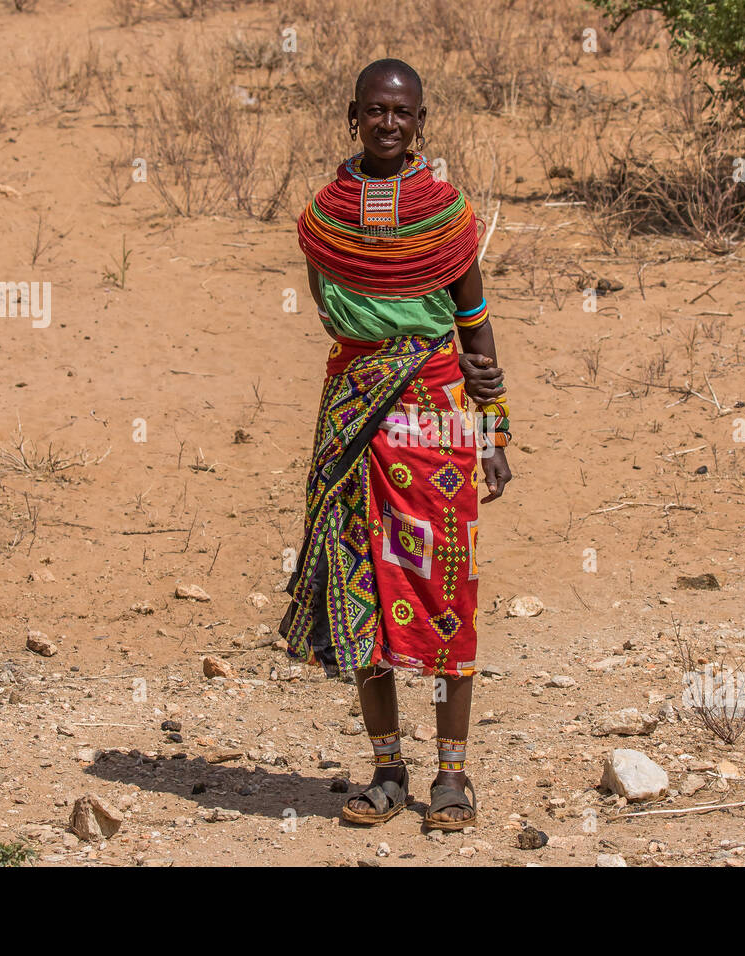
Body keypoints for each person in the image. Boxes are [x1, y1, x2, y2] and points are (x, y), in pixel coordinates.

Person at [280, 58, 512, 830]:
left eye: (403, 113)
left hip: (439, 420)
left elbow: (474, 326)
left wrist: (495, 428)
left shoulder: (448, 216)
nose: (389, 124)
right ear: (353, 115)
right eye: (376, 110)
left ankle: (452, 777)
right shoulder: (323, 219)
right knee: (364, 599)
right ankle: (386, 771)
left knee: (447, 595)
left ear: (422, 122)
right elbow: (336, 320)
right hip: (351, 422)